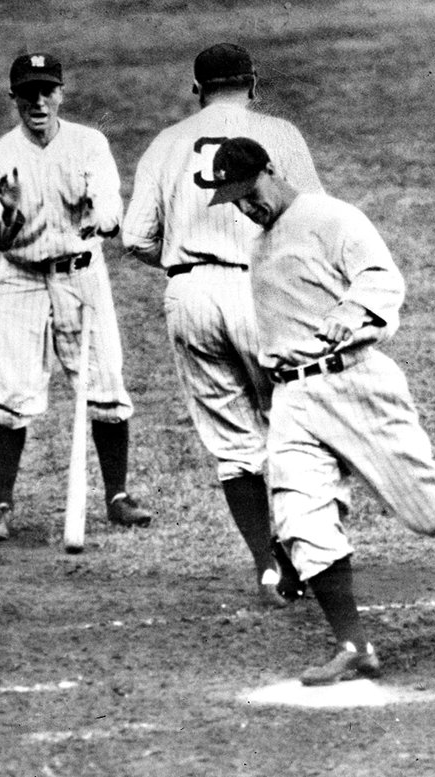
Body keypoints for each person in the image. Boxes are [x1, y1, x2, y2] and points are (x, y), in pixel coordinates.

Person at [207, 137, 435, 685]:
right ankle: (354, 645)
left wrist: (353, 311)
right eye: (234, 200)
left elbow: (382, 279)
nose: (245, 206)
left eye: (249, 192)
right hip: (293, 399)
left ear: (272, 170)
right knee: (300, 520)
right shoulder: (260, 243)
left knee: (430, 512)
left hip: (354, 382)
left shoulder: (330, 217)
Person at [122, 43, 322, 607]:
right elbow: (310, 215)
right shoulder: (279, 133)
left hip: (188, 294)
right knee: (293, 422)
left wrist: (186, 259)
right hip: (258, 287)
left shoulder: (165, 143)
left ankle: (266, 565)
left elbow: (136, 238)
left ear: (197, 91)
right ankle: (308, 553)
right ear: (253, 85)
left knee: (235, 445)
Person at [0, 52, 153, 540]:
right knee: (14, 392)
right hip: (20, 279)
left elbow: (111, 203)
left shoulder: (89, 144)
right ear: (13, 98)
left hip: (80, 274)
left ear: (60, 94)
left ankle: (116, 498)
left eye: (47, 90)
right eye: (28, 92)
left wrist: (102, 217)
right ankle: (1, 505)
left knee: (106, 386)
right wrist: (9, 213)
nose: (38, 100)